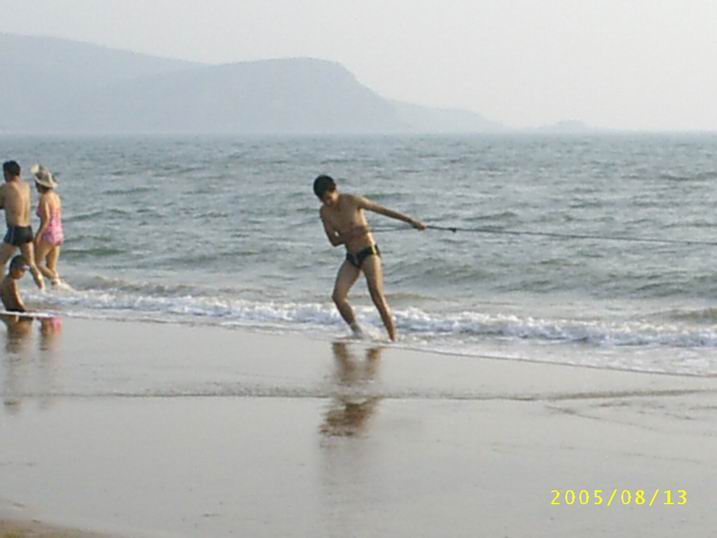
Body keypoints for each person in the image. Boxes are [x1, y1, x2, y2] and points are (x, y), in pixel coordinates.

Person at [314, 174, 426, 341]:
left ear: (335, 190)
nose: (327, 202)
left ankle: (393, 338)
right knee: (338, 297)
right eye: (323, 200)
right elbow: (334, 241)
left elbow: (382, 210)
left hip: (369, 252)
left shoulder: (352, 200)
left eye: (329, 198)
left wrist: (412, 221)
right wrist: (351, 234)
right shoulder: (324, 212)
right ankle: (358, 331)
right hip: (351, 257)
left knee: (376, 295)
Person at [0, 161, 45, 290]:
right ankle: (43, 289)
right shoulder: (26, 186)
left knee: (0, 262)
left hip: (15, 230)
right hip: (27, 230)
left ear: (8, 173)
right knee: (31, 264)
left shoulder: (7, 187)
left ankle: (2, 290)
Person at [31, 164, 64, 285]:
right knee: (51, 267)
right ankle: (57, 289)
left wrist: (38, 236)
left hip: (48, 234)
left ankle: (57, 281)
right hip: (58, 233)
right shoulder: (56, 197)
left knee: (36, 263)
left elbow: (46, 220)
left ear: (40, 185)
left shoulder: (44, 198)